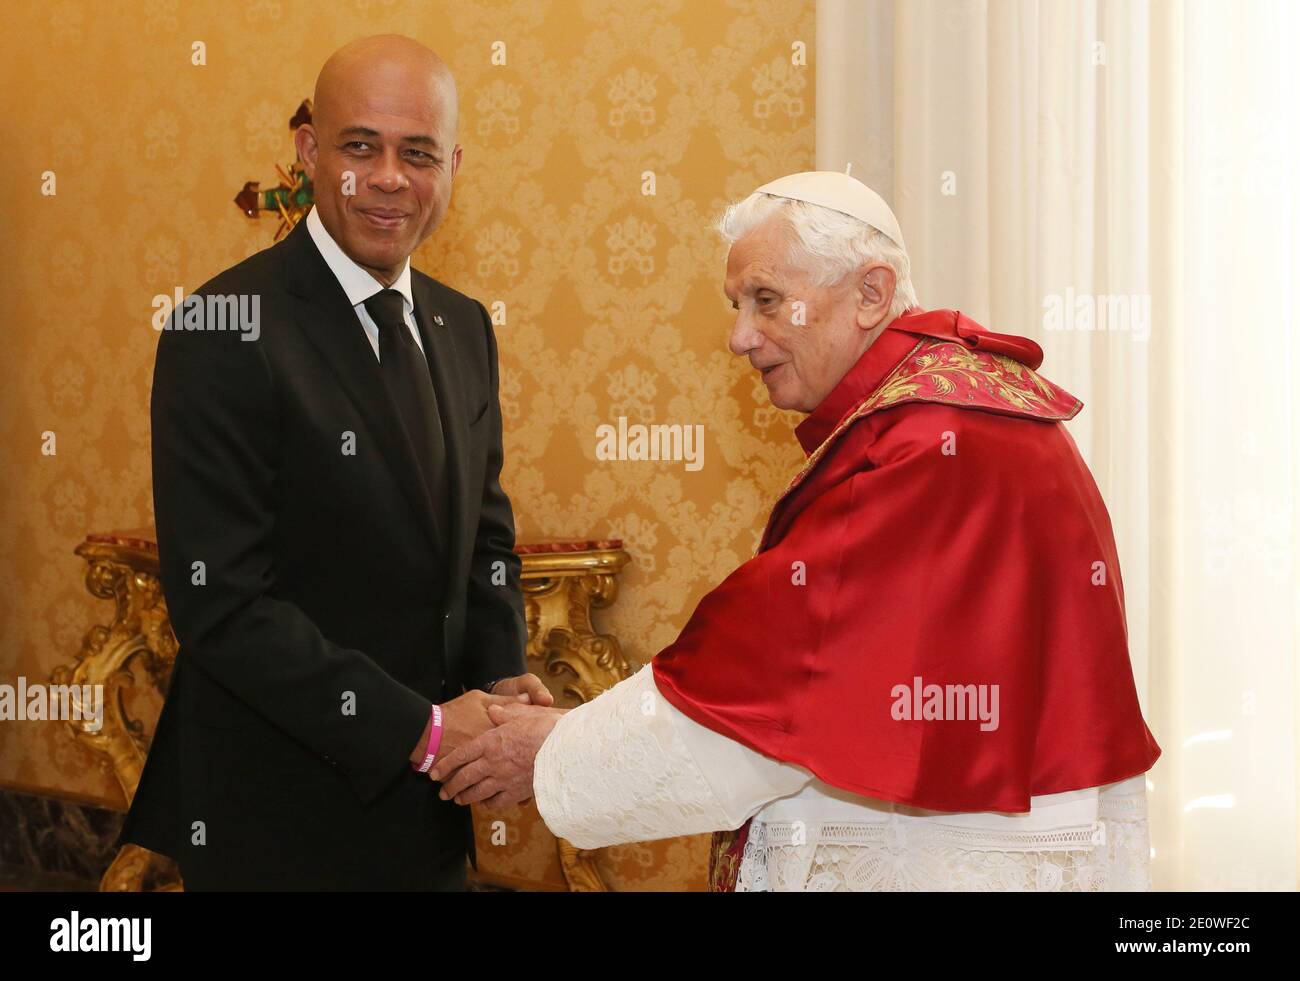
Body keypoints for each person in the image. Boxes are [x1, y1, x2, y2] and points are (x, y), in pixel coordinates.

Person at [430, 170, 1162, 892]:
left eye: (768, 301)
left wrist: (554, 753)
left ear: (870, 294)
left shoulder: (926, 441)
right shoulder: (952, 408)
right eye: (736, 304)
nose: (739, 337)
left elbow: (777, 683)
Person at [119, 34, 548, 890]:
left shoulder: (462, 326)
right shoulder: (222, 327)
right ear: (311, 151)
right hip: (271, 823)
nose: (389, 178)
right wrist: (425, 730)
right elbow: (225, 606)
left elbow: (482, 536)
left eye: (418, 153)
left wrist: (501, 676)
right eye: (361, 146)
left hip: (423, 824)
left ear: (452, 167)